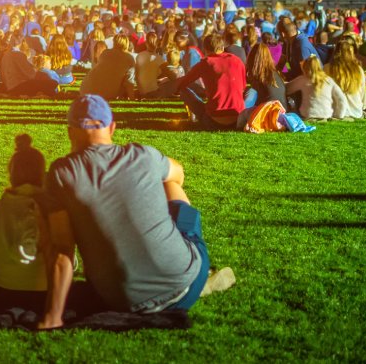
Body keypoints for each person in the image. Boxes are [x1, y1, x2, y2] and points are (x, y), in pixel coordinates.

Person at [37, 96, 233, 329]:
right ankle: (199, 279)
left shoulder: (62, 174)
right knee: (169, 184)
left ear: (71, 132)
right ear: (112, 127)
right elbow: (178, 174)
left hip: (121, 301)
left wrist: (53, 316)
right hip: (185, 285)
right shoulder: (143, 155)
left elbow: (63, 249)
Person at [0, 134, 48, 309]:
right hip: (40, 290)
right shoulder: (45, 205)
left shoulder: (4, 203)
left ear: (11, 174)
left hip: (3, 287)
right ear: (41, 173)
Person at [176, 32, 246, 130]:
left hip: (213, 121)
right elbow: (243, 87)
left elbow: (184, 82)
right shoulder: (237, 61)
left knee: (184, 92)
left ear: (205, 49)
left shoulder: (206, 63)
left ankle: (194, 118)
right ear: (222, 47)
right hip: (238, 119)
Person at [285, 55, 348, 121]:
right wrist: (339, 116)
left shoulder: (303, 79)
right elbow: (342, 99)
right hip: (326, 115)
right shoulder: (329, 80)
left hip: (308, 115)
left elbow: (287, 89)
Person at [79, 34, 137, 100]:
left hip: (86, 88)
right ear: (127, 44)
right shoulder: (129, 58)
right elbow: (129, 82)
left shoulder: (105, 53)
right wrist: (132, 98)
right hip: (106, 93)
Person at [325, 37, 366, 119]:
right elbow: (363, 92)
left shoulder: (327, 68)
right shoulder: (358, 69)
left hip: (335, 111)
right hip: (356, 111)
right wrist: (363, 105)